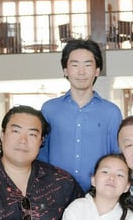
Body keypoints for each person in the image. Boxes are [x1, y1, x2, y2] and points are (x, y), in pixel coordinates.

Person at [40, 39, 122, 192]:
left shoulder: (111, 112)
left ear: (97, 70)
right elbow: (41, 156)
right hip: (56, 194)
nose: (81, 72)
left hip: (98, 195)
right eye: (75, 65)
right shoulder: (49, 110)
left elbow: (117, 157)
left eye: (88, 65)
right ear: (65, 70)